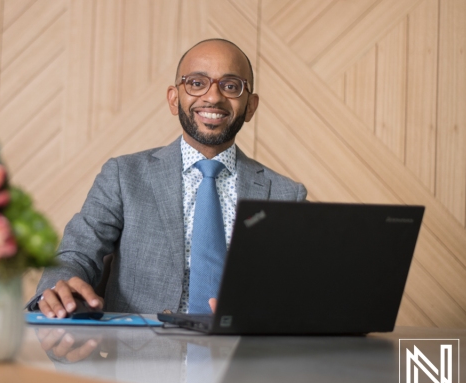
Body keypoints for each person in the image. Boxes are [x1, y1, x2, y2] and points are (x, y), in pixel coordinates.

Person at [29, 38, 307, 318]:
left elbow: (299, 288)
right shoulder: (123, 176)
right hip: (140, 353)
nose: (213, 97)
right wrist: (56, 291)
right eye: (197, 83)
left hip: (240, 354)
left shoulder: (285, 194)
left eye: (231, 86)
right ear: (174, 99)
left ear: (250, 106)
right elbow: (76, 254)